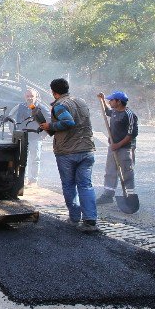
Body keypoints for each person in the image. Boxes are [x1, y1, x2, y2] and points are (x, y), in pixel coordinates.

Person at [39, 78, 98, 232]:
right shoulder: (81, 101)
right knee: (86, 185)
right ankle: (90, 220)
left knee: (69, 185)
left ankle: (74, 218)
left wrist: (49, 126)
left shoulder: (59, 105)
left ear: (53, 92)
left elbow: (68, 121)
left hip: (68, 152)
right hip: (87, 150)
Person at [96, 91, 139, 205]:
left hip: (124, 149)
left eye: (111, 100)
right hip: (113, 147)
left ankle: (130, 196)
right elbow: (107, 112)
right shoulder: (114, 111)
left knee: (127, 172)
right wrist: (102, 100)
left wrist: (118, 145)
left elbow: (131, 134)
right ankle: (108, 195)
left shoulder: (129, 115)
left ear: (119, 102)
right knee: (110, 170)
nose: (109, 102)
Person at [8, 88, 50, 185]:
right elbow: (11, 119)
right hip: (22, 138)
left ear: (36, 97)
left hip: (36, 138)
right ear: (24, 97)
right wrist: (14, 133)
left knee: (35, 159)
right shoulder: (19, 107)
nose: (30, 98)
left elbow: (49, 121)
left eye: (32, 96)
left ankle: (33, 180)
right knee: (21, 159)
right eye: (28, 96)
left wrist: (43, 135)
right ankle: (23, 178)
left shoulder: (41, 108)